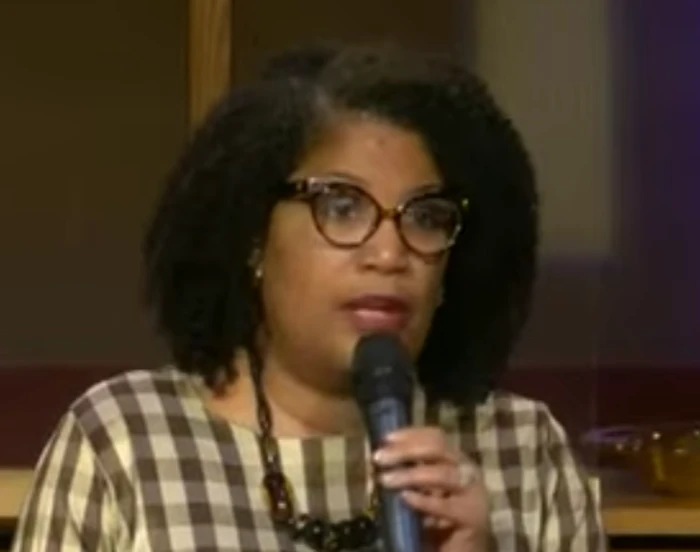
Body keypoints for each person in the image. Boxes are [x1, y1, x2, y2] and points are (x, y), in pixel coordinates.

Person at [11, 44, 606, 551]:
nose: (389, 253)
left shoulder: (522, 450)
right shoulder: (125, 441)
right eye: (342, 207)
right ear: (252, 235)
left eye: (426, 217)